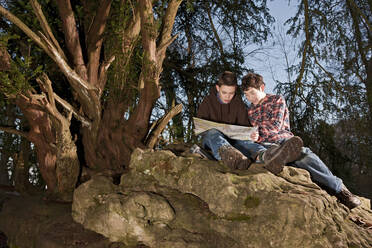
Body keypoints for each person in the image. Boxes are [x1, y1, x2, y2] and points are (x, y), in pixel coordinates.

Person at [241, 72, 361, 209]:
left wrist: (258, 133)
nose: (249, 98)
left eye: (251, 93)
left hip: (282, 140)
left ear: (262, 88)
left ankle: (341, 190)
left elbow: (275, 126)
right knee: (283, 159)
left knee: (304, 156)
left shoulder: (276, 100)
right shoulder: (250, 111)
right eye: (246, 95)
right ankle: (277, 157)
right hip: (265, 146)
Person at [196, 71, 302, 171]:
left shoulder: (242, 105)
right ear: (218, 88)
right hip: (214, 138)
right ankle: (229, 154)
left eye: (231, 93)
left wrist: (252, 133)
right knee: (213, 133)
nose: (228, 96)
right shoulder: (208, 101)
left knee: (243, 141)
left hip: (273, 139)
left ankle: (265, 156)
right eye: (247, 95)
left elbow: (252, 128)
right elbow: (199, 126)